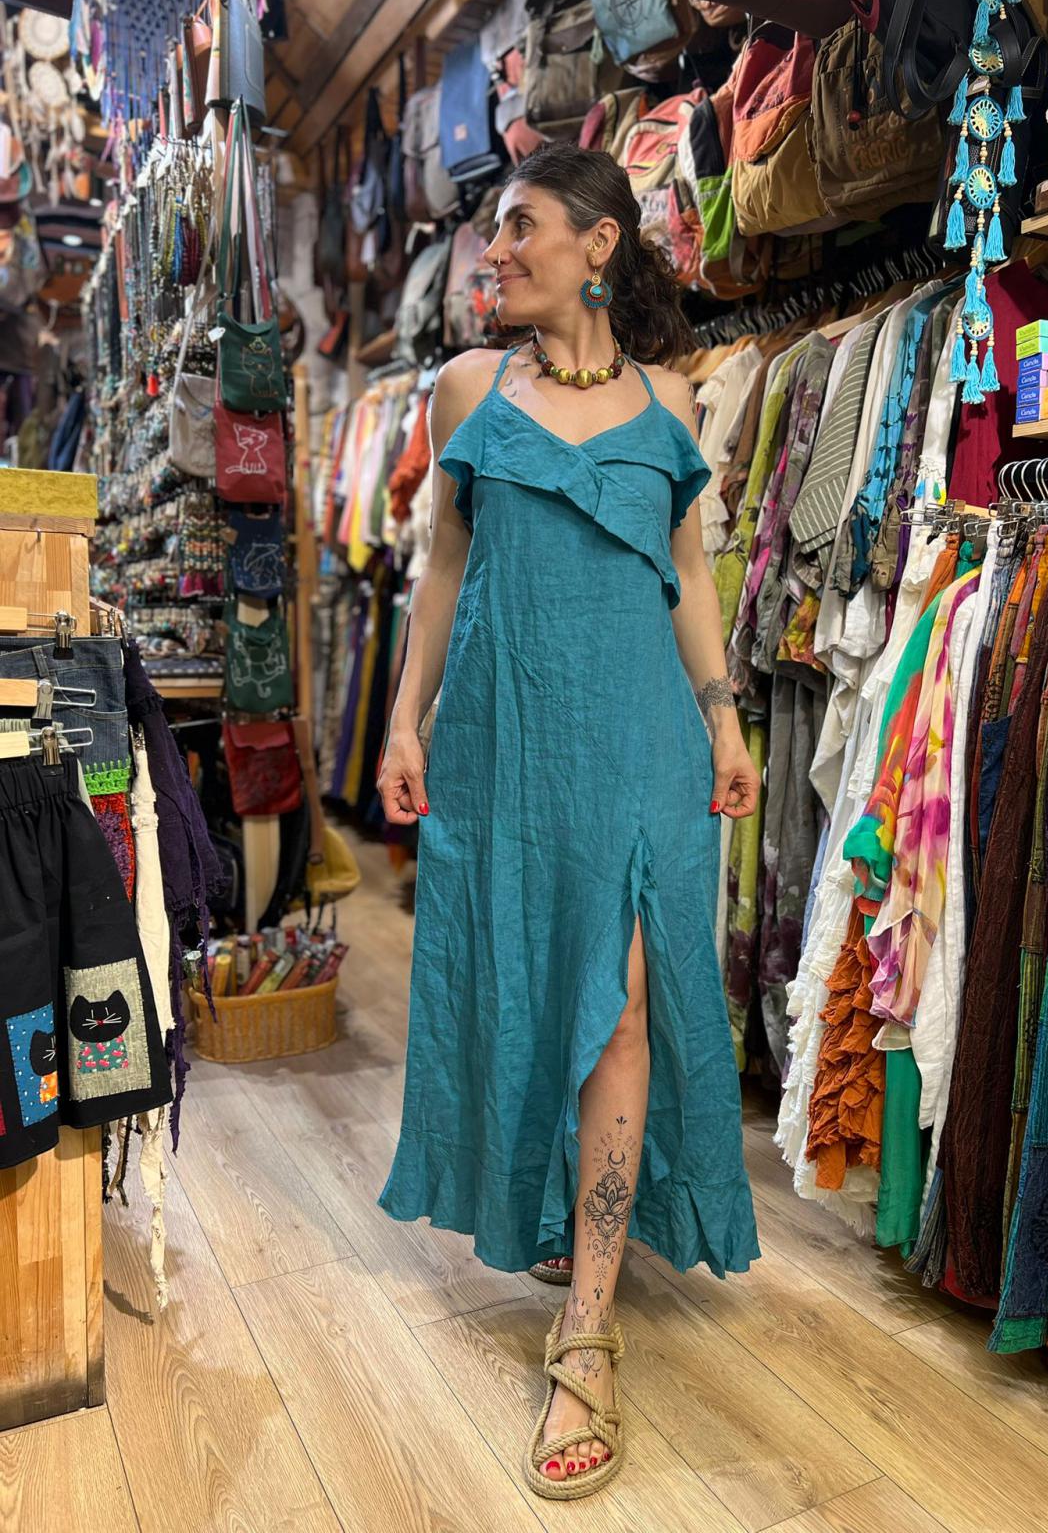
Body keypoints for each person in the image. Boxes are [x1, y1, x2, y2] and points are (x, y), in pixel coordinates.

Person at [376, 142, 762, 1501]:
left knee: (626, 1005)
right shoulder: (467, 388)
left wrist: (724, 717)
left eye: (518, 225)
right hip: (507, 737)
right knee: (535, 979)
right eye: (492, 232)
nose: (493, 252)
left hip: (642, 737)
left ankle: (589, 1329)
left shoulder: (675, 396)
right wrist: (406, 721)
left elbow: (690, 573)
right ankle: (559, 1212)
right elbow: (440, 571)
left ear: (599, 244)